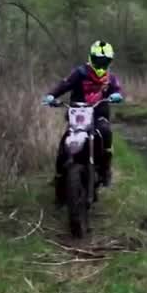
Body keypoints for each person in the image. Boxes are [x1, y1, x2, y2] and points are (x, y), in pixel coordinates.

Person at [42, 40, 125, 192]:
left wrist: (116, 95)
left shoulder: (110, 78)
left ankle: (105, 170)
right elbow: (64, 85)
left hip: (99, 114)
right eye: (98, 60)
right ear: (91, 58)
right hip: (78, 114)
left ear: (109, 61)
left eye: (104, 61)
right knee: (65, 142)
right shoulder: (80, 73)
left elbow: (117, 89)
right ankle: (59, 176)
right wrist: (51, 96)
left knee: (106, 132)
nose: (101, 64)